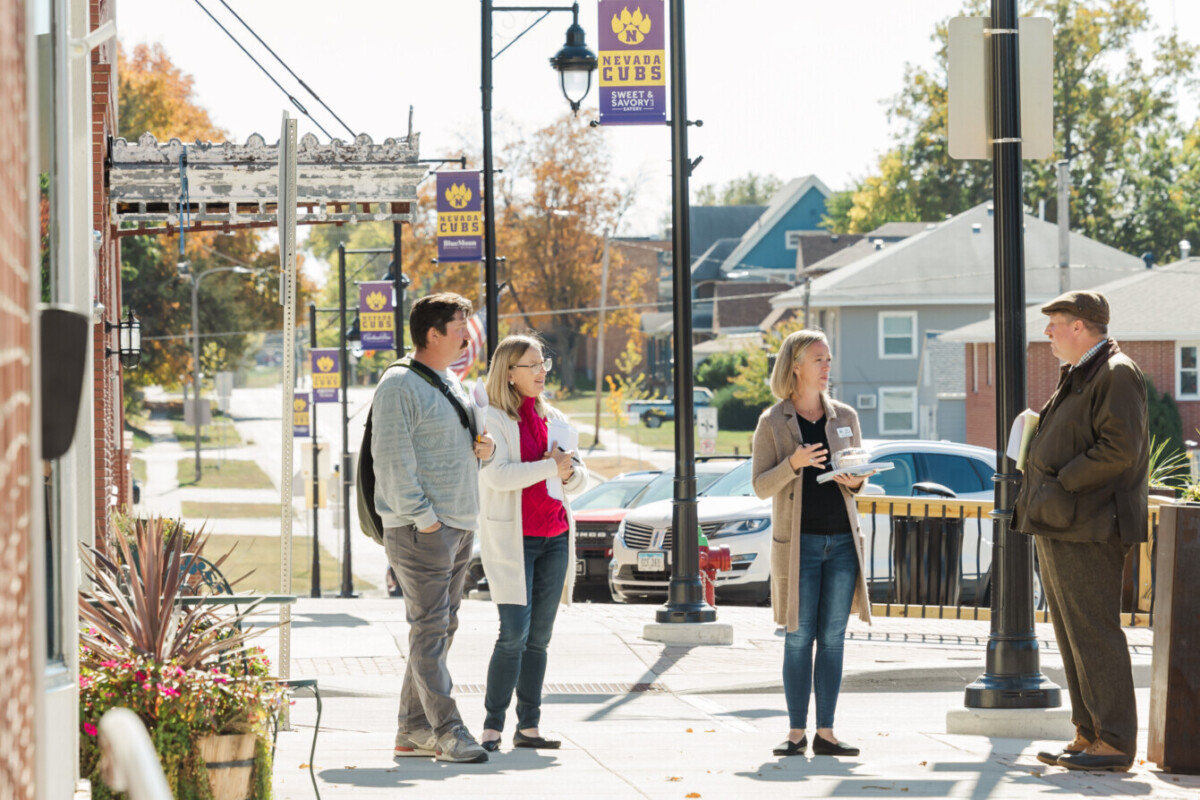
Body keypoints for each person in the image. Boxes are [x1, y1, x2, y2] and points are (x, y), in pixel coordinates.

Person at [1014, 290, 1148, 772]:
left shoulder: (1117, 373)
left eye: (1055, 322)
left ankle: (1113, 742)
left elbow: (1120, 450)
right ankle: (1089, 734)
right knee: (1072, 634)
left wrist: (1061, 481)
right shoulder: (1083, 372)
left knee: (1094, 632)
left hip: (1090, 525)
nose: (1047, 332)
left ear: (1080, 326)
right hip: (1063, 521)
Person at [372, 292, 497, 764]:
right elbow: (393, 463)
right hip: (423, 530)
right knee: (429, 630)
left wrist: (480, 450)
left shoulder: (450, 382)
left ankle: (412, 730)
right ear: (433, 334)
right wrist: (425, 521)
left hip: (458, 525)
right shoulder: (400, 385)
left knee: (439, 630)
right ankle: (448, 731)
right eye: (461, 328)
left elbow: (448, 447)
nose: (468, 336)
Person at [751, 329, 872, 758]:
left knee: (834, 638)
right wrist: (794, 463)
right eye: (818, 359)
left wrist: (855, 480)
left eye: (829, 359)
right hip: (798, 544)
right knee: (799, 637)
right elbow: (761, 486)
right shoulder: (773, 422)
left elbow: (857, 476)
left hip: (841, 542)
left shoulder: (845, 417)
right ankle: (796, 732)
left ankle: (827, 733)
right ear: (795, 365)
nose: (826, 367)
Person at [476, 335, 586, 752]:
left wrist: (567, 472)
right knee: (513, 634)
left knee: (539, 636)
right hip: (514, 540)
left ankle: (529, 727)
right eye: (532, 365)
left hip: (555, 537)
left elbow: (579, 476)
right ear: (509, 372)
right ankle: (491, 725)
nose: (542, 371)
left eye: (545, 363)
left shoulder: (553, 416)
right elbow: (497, 475)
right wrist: (549, 466)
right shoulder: (495, 421)